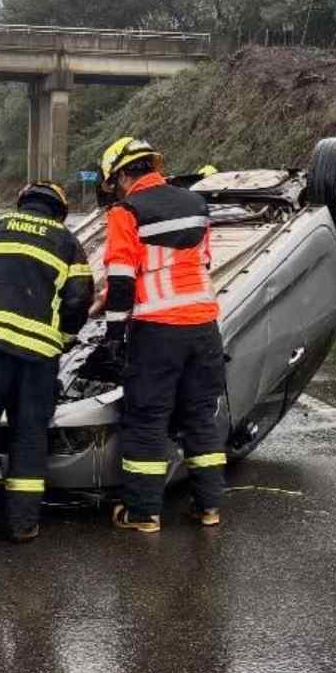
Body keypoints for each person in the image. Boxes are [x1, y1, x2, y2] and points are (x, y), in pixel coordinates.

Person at [0, 180, 93, 543]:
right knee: (30, 435)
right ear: (59, 211)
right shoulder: (67, 242)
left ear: (23, 202)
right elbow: (79, 299)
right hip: (37, 357)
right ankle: (23, 524)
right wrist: (62, 340)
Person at [98, 137, 227, 533]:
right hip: (204, 326)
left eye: (114, 183)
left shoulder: (126, 212)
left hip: (157, 330)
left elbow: (122, 279)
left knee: (148, 418)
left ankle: (142, 513)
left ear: (122, 175)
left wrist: (114, 335)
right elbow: (199, 262)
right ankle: (209, 508)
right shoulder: (196, 204)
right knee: (199, 416)